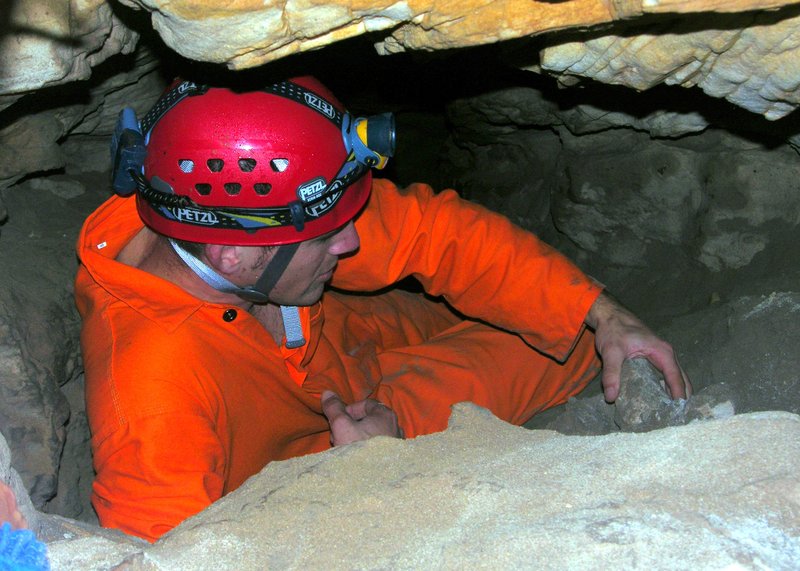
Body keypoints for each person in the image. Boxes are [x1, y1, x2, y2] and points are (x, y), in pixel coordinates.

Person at [75, 76, 691, 542]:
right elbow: (168, 550)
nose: (349, 240)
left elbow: (436, 232)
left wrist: (604, 311)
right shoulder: (151, 398)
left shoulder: (234, 217)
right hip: (334, 443)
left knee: (569, 320)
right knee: (571, 357)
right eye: (325, 233)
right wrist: (357, 487)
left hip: (354, 328)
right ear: (231, 256)